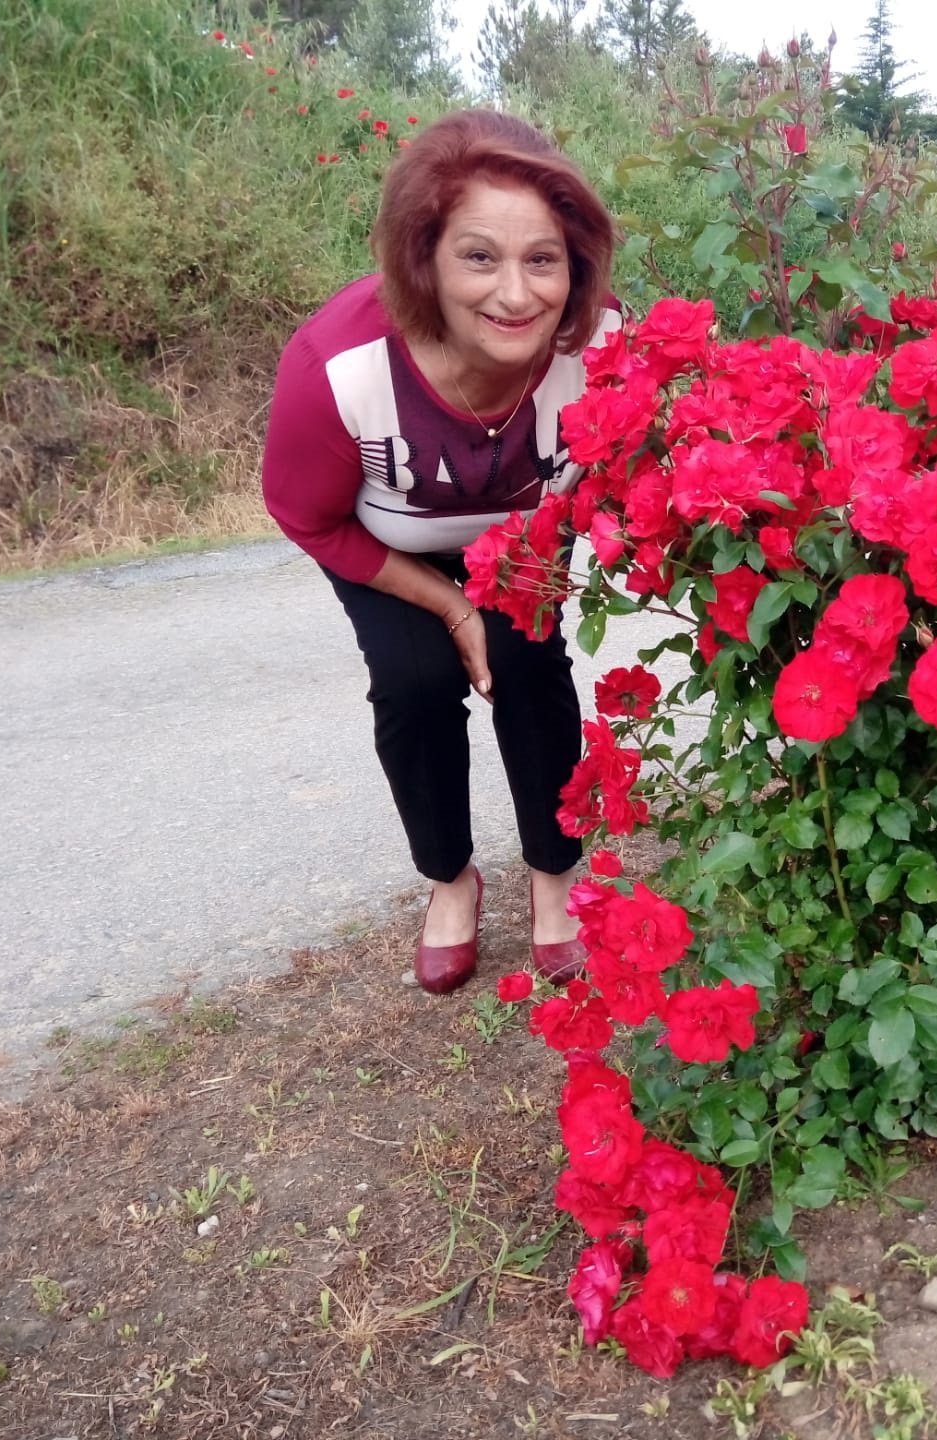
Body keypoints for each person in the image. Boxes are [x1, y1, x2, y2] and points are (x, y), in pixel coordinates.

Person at [261, 109, 619, 995]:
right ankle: (450, 882)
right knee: (416, 686)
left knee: (530, 667)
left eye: (543, 259)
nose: (515, 295)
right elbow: (310, 517)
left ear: (575, 266)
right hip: (385, 544)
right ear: (423, 259)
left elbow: (625, 468)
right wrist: (453, 605)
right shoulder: (336, 368)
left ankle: (552, 881)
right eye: (478, 257)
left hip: (526, 536)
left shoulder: (603, 345)